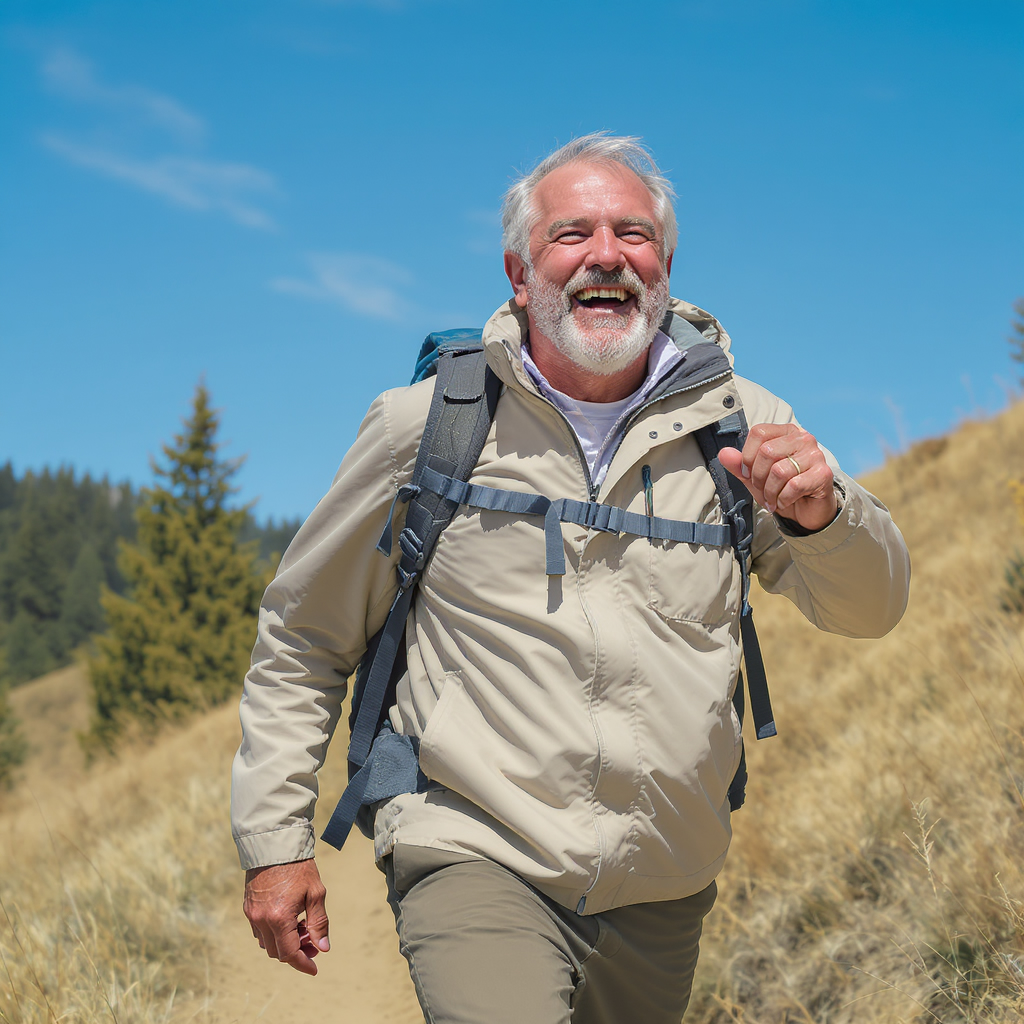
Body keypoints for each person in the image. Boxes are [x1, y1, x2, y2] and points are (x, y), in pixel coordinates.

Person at [231, 133, 910, 1023]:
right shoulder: (428, 425)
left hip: (666, 879)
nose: (606, 255)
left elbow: (872, 609)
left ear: (665, 263)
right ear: (519, 271)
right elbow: (305, 636)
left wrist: (823, 516)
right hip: (472, 848)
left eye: (633, 234)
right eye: (571, 234)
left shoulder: (742, 423)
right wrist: (274, 844)